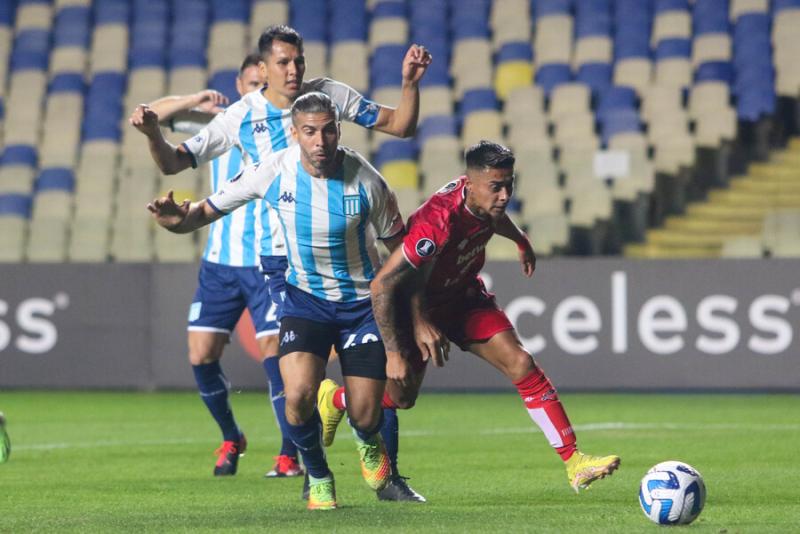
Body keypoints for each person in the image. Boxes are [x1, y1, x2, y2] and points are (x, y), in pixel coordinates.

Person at [130, 24, 431, 498]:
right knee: (293, 378)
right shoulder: (244, 120)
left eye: (299, 61)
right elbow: (174, 165)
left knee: (367, 391)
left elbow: (400, 126)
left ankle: (374, 459)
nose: (293, 71)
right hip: (279, 259)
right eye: (283, 63)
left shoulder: (330, 100)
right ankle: (311, 467)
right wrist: (154, 139)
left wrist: (410, 84)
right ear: (262, 68)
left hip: (347, 248)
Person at [324, 141, 621, 494]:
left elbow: (494, 218)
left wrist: (520, 239)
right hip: (416, 305)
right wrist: (419, 324)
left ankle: (575, 462)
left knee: (521, 362)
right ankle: (338, 399)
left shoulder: (486, 200)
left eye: (510, 183)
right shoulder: (437, 223)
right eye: (497, 186)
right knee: (402, 398)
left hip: (463, 297)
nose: (505, 194)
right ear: (470, 182)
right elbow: (385, 283)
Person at [130, 54, 303, 478]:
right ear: (240, 84)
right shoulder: (222, 122)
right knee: (201, 353)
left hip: (267, 259)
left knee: (275, 353)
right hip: (219, 262)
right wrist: (196, 100)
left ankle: (288, 453)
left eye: (264, 82)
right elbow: (149, 115)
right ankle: (231, 436)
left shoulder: (287, 127)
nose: (257, 90)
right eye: (250, 82)